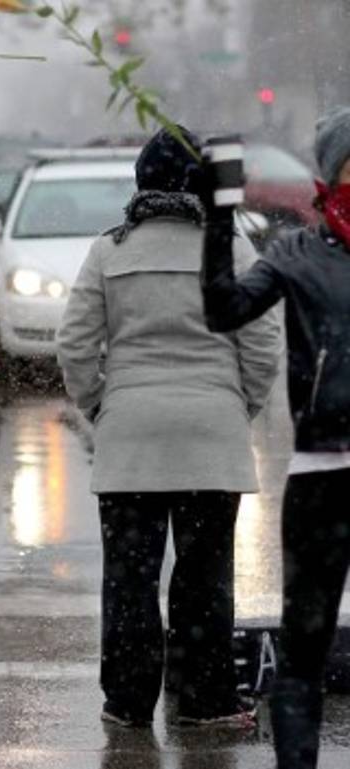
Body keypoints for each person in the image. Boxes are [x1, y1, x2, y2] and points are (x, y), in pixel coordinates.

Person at [58, 126, 281, 730]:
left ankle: (127, 702)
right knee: (204, 577)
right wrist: (239, 407)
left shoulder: (110, 251)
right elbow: (262, 344)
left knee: (130, 580)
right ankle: (204, 699)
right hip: (212, 435)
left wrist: (103, 405)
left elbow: (75, 344)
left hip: (130, 437)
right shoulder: (230, 250)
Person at [201, 109, 350, 769]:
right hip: (325, 474)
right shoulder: (295, 252)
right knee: (304, 647)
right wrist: (216, 218)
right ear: (332, 177)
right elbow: (223, 309)